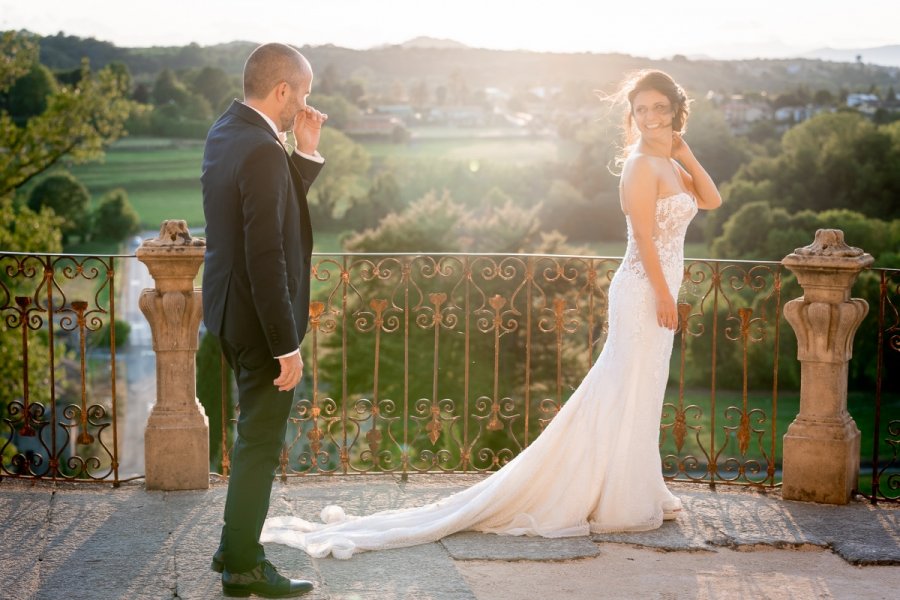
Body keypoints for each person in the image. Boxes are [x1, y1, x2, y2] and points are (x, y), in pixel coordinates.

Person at [260, 69, 722, 560]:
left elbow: (711, 200)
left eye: (660, 108)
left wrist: (682, 150)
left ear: (675, 111)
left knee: (643, 388)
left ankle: (638, 487)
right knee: (622, 387)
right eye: (641, 109)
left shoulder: (667, 163)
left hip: (659, 288)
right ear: (632, 114)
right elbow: (646, 239)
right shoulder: (638, 167)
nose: (650, 117)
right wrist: (664, 296)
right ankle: (616, 497)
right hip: (643, 292)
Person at [201, 42, 327, 598]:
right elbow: (267, 254)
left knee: (251, 436)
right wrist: (286, 344)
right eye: (303, 94)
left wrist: (304, 153)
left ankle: (233, 551)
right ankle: (244, 566)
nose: (304, 104)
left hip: (225, 314)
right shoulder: (259, 150)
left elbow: (267, 205)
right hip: (258, 324)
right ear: (283, 91)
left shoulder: (227, 132)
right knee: (258, 443)